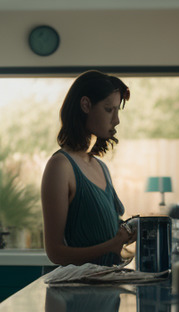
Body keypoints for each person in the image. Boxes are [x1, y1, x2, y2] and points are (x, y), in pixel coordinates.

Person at [42, 70, 136, 267]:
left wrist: (128, 231)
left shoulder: (101, 167)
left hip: (105, 290)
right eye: (109, 109)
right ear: (86, 105)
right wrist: (111, 246)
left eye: (117, 111)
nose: (116, 120)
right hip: (76, 294)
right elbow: (55, 253)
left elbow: (101, 232)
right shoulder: (60, 166)